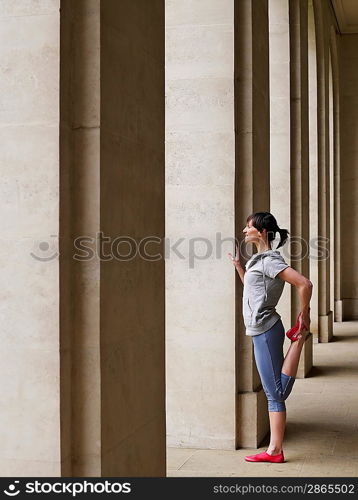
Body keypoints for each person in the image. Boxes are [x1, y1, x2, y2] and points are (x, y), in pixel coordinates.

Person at [228, 211, 313, 463]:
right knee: (273, 391)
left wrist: (304, 314)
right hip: (262, 329)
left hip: (265, 330)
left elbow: (304, 284)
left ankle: (299, 338)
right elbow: (253, 292)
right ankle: (275, 450)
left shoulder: (270, 261)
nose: (244, 231)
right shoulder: (259, 260)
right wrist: (240, 268)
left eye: (249, 227)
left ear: (262, 232)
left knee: (275, 392)